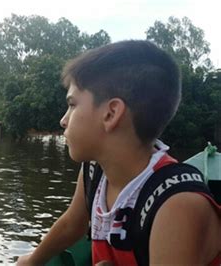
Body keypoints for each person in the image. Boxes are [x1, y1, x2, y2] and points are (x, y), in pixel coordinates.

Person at [17, 40, 221, 265]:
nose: (63, 120)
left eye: (72, 104)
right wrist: (32, 261)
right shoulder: (95, 170)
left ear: (111, 114)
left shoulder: (177, 205)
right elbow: (71, 225)